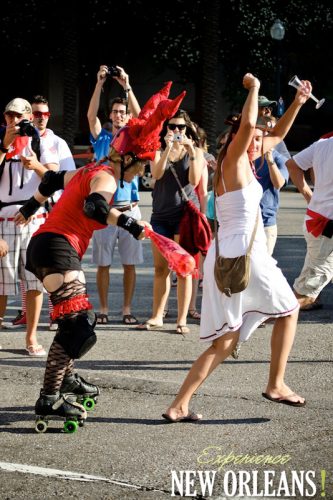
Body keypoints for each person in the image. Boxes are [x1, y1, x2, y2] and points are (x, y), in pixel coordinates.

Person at [14, 82, 185, 426]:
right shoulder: (106, 176)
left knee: (71, 322)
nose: (141, 173)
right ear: (131, 159)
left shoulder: (90, 169)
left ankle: (67, 377)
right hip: (57, 247)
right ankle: (49, 398)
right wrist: (132, 224)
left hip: (47, 245)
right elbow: (94, 208)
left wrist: (30, 207)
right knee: (80, 325)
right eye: (141, 166)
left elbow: (50, 181)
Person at [162, 73, 311, 423]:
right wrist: (255, 89)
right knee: (289, 310)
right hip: (247, 254)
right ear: (238, 137)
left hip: (229, 252)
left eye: (260, 139)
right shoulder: (234, 158)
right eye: (254, 138)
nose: (260, 142)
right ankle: (275, 384)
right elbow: (248, 125)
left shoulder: (243, 158)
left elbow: (277, 135)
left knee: (226, 341)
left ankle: (178, 405)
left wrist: (298, 103)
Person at [0, 97, 59, 356]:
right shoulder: (1, 141)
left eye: (19, 117)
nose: (14, 122)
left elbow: (54, 180)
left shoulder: (41, 143)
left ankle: (31, 337)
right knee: (1, 283)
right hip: (4, 219)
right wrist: (4, 146)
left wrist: (34, 164)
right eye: (9, 117)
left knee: (35, 282)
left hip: (34, 218)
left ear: (28, 118)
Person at [11, 95, 76, 330]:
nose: (40, 119)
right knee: (24, 267)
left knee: (48, 266)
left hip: (50, 209)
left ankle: (54, 314)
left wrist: (38, 166)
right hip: (23, 210)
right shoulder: (19, 138)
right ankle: (27, 314)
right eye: (36, 114)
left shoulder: (57, 143)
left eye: (45, 114)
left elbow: (64, 181)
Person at [137, 108, 204, 334]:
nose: (176, 130)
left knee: (183, 268)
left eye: (181, 127)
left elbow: (194, 180)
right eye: (172, 126)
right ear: (166, 128)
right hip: (161, 215)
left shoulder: (195, 151)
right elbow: (156, 174)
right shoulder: (159, 149)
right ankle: (157, 316)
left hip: (183, 216)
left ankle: (181, 320)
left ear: (187, 129)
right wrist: (167, 149)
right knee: (160, 268)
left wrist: (189, 150)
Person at [87, 65, 143, 325]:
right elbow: (90, 116)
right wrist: (100, 83)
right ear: (110, 115)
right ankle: (105, 309)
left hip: (130, 207)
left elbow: (141, 115)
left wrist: (127, 83)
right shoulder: (102, 138)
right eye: (116, 112)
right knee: (103, 263)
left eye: (123, 112)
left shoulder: (134, 138)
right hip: (104, 210)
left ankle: (127, 308)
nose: (119, 115)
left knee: (130, 263)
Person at [286, 137, 333, 311]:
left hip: (318, 218)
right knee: (307, 292)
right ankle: (260, 316)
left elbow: (292, 164)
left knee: (313, 275)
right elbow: (291, 164)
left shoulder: (322, 144)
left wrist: (309, 195)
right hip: (326, 226)